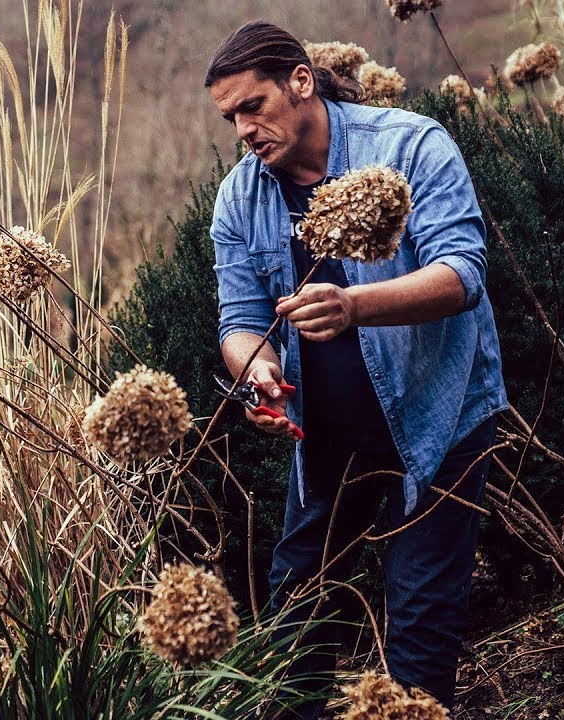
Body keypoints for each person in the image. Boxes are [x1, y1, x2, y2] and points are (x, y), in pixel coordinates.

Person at [205, 20, 508, 718]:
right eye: (231, 118)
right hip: (326, 442)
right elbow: (240, 323)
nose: (244, 129)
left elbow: (462, 274)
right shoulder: (240, 198)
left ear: (301, 81)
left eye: (254, 106)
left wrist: (352, 306)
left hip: (440, 421)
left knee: (420, 620)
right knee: (296, 615)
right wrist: (259, 374)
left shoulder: (410, 145)